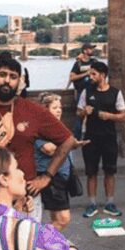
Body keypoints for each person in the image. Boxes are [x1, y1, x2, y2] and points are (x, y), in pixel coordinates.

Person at [0, 53, 77, 223]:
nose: (7, 81)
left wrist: (47, 177)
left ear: (19, 81)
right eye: (2, 75)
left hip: (26, 196)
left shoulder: (32, 110)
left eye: (13, 77)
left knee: (25, 246)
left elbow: (68, 140)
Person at [77, 61, 125, 218]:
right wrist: (84, 111)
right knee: (91, 172)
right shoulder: (87, 92)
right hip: (91, 137)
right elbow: (78, 112)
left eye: (93, 74)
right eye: (90, 73)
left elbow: (123, 115)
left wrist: (109, 116)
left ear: (103, 75)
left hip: (109, 137)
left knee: (109, 171)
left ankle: (109, 203)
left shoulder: (115, 93)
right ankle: (92, 204)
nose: (90, 77)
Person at [36, 92, 83, 231]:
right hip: (51, 177)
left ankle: (52, 245)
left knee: (55, 217)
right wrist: (69, 144)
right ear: (45, 109)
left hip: (62, 175)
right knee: (63, 219)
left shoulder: (58, 126)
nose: (59, 110)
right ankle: (36, 240)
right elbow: (48, 149)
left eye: (60, 107)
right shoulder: (41, 128)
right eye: (54, 107)